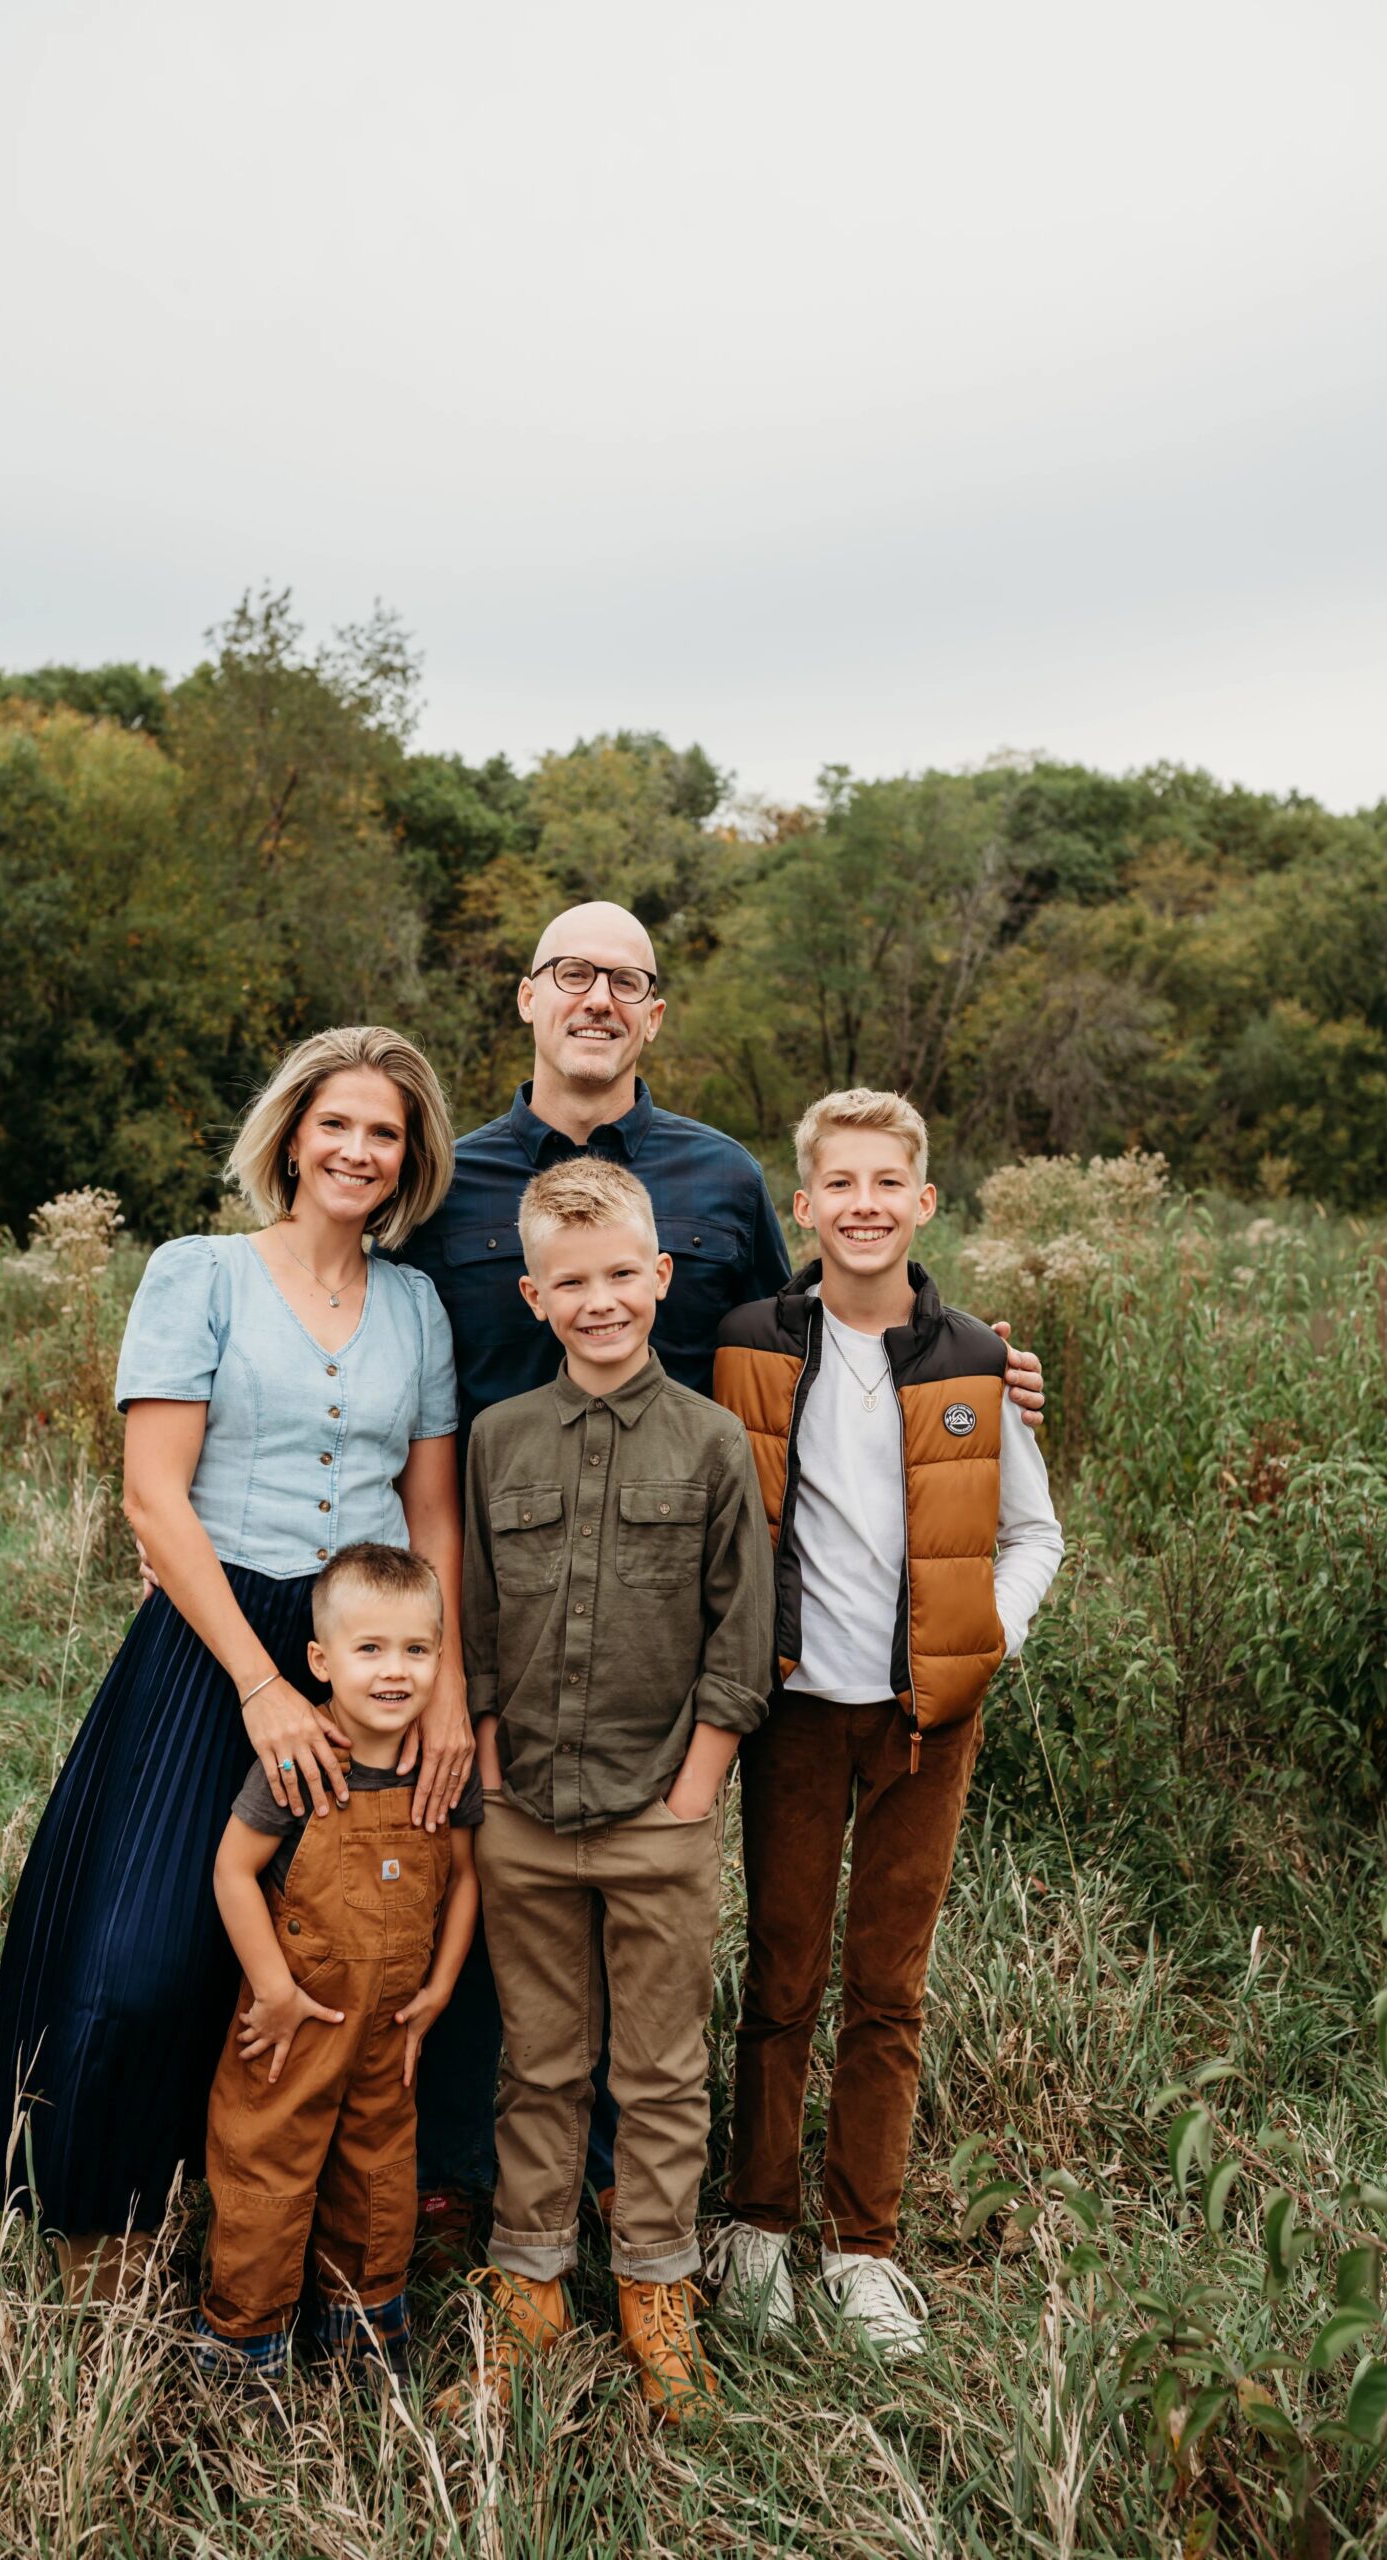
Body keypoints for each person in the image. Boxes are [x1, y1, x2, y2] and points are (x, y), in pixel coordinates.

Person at [399, 899, 1048, 2239]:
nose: (596, 998)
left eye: (624, 981)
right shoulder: (447, 1180)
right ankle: (480, 2183)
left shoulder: (713, 1180)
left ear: (651, 1013)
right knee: (496, 1877)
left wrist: (967, 1358)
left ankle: (645, 2203)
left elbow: (813, 1321)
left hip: (679, 1615)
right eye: (570, 974)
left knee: (661, 1902)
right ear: (525, 997)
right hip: (498, 1605)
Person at [0, 1026, 474, 2296]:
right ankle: (98, 2232)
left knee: (331, 1953)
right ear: (291, 1135)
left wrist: (446, 1696)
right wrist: (261, 1684)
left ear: (409, 1156)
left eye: (386, 1131)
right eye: (338, 1124)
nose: (358, 1150)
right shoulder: (197, 1272)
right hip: (213, 1641)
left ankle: (273, 2241)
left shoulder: (416, 1304)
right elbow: (154, 1498)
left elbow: (431, 1517)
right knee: (142, 1956)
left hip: (361, 1653)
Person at [706, 1087, 1064, 2349]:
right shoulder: (746, 1339)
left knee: (887, 1986)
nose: (862, 1206)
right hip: (793, 1709)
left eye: (885, 1184)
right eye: (836, 1185)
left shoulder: (970, 1357)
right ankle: (754, 2229)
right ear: (802, 1206)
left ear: (921, 1202)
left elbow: (1032, 1533)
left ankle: (862, 2248)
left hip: (926, 1718)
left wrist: (986, 1637)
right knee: (783, 1968)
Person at [445, 1158, 772, 2425]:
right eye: (569, 1282)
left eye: (619, 1277)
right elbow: (473, 1615)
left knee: (660, 2070)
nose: (598, 1301)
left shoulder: (708, 1444)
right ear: (532, 1294)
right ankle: (528, 2279)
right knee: (538, 2062)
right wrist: (481, 1761)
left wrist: (694, 1793)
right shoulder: (496, 1440)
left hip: (658, 1814)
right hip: (523, 1812)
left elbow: (741, 1635)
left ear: (660, 1278)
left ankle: (653, 2285)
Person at [194, 1544, 481, 2396]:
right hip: (295, 2020)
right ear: (321, 1660)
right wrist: (274, 1989)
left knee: (380, 2170)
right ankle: (245, 2343)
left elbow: (466, 1879)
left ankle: (361, 2325)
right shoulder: (300, 1762)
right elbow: (232, 1871)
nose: (396, 1672)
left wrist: (439, 1990)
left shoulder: (440, 1771)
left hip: (392, 2021)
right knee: (266, 2166)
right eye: (370, 1650)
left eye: (416, 1651)